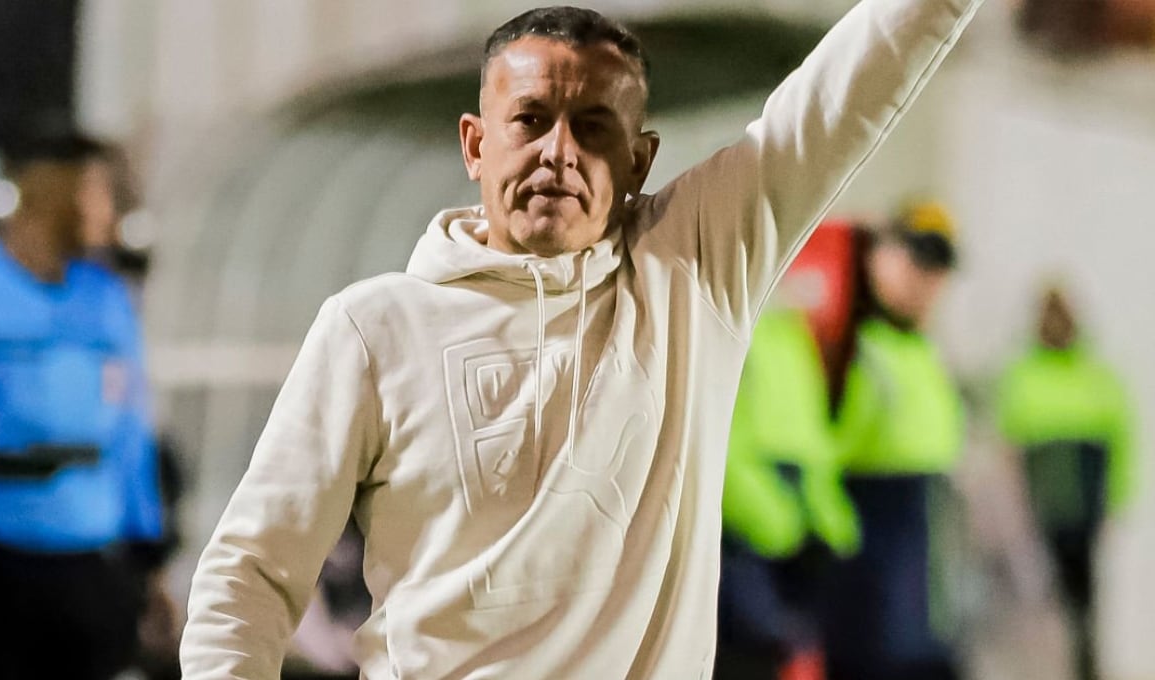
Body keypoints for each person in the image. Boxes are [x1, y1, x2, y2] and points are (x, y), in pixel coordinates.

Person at [181, 2, 984, 677]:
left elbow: (853, 83)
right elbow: (249, 572)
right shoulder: (371, 326)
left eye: (593, 127)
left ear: (639, 162)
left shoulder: (693, 272)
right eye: (529, 120)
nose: (558, 151)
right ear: (473, 144)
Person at [0, 133, 165, 679]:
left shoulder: (107, 298)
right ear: (51, 191)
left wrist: (150, 558)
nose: (111, 211)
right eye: (99, 191)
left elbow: (130, 434)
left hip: (94, 562)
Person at [821, 202, 966, 680]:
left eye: (938, 268)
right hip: (869, 528)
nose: (927, 281)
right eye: (917, 261)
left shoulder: (923, 351)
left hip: (924, 530)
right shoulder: (850, 349)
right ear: (879, 256)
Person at [715, 297, 860, 680]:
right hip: (744, 528)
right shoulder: (727, 324)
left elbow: (812, 437)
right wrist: (764, 513)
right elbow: (718, 438)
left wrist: (829, 514)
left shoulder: (794, 331)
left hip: (797, 528)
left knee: (799, 648)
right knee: (753, 648)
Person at [996, 285, 1135, 680]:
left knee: (1083, 597)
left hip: (1085, 498)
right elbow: (1010, 449)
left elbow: (1121, 440)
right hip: (1043, 498)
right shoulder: (1021, 374)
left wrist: (1116, 501)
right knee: (1039, 596)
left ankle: (1084, 669)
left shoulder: (1098, 375)